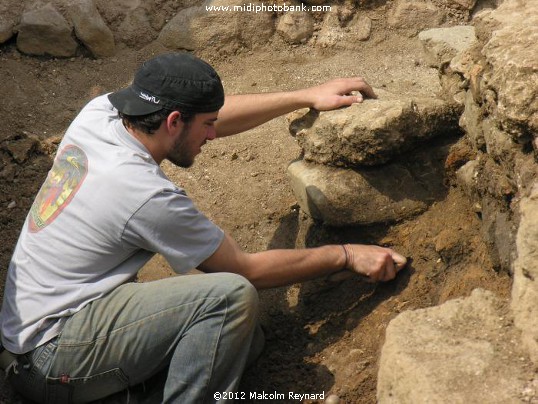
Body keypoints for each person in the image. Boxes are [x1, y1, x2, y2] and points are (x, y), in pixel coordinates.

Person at [0, 52, 407, 403]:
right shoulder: (142, 193)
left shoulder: (102, 114)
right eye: (207, 125)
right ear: (174, 121)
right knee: (229, 301)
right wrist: (347, 254)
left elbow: (204, 114)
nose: (213, 135)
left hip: (38, 328)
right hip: (52, 357)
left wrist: (304, 96)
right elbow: (245, 271)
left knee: (240, 341)